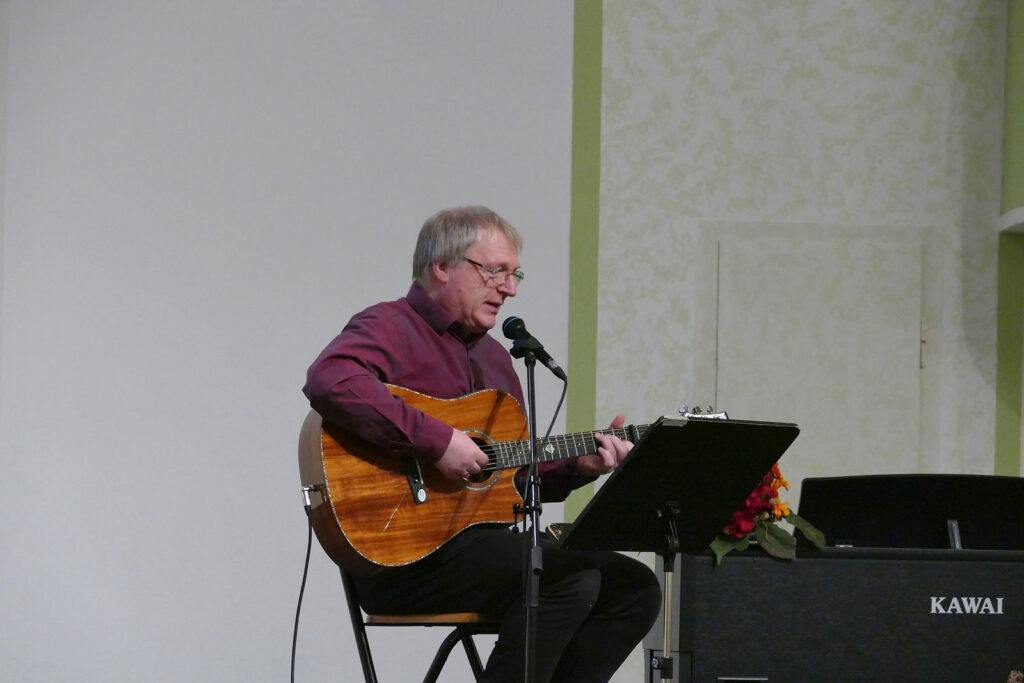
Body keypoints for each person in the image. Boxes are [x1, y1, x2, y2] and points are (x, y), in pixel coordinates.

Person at [303, 206, 661, 682]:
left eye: (515, 276)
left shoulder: (497, 360)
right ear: (442, 267)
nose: (509, 289)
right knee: (565, 577)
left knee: (634, 588)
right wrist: (437, 441)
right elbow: (330, 379)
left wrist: (582, 466)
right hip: (403, 558)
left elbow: (511, 479)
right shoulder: (391, 325)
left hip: (485, 550)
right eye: (495, 272)